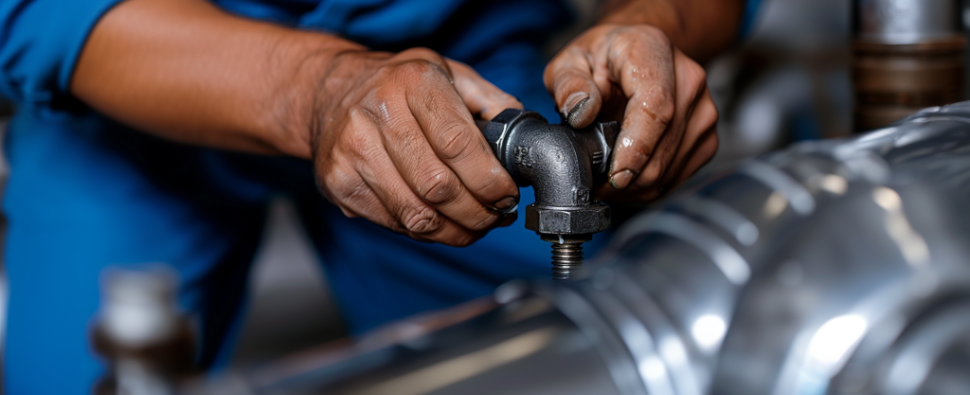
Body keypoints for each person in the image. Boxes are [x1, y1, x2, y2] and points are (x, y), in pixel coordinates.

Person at [0, 0, 758, 392]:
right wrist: (316, 93)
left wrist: (655, 23)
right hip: (139, 68)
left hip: (467, 64)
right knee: (73, 374)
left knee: (595, 355)